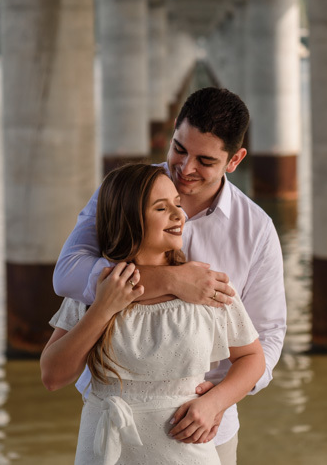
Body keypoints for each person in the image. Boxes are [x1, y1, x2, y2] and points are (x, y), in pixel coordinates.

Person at [53, 87, 287, 463]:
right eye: (179, 149)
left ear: (235, 160)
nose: (185, 168)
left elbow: (268, 337)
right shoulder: (124, 195)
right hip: (108, 423)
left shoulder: (256, 230)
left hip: (204, 429)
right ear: (173, 130)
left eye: (205, 160)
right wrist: (172, 281)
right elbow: (67, 274)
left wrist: (217, 401)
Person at [41, 164, 265, 464]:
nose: (179, 215)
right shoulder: (96, 289)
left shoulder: (206, 286)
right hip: (104, 452)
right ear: (128, 218)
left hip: (185, 453)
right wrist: (104, 308)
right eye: (161, 208)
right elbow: (52, 377)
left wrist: (215, 401)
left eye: (177, 204)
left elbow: (252, 357)